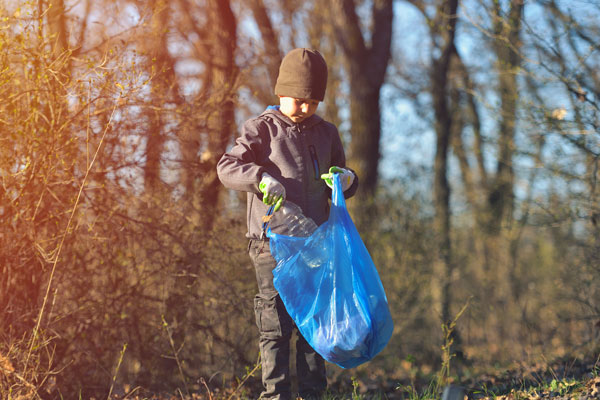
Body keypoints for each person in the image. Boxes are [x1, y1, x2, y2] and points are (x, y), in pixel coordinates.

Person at [216, 48, 358, 400]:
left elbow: (346, 176)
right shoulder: (260, 129)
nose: (305, 108)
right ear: (281, 93)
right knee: (275, 325)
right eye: (298, 100)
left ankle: (313, 395)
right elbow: (227, 167)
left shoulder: (327, 133)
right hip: (271, 244)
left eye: (313, 101)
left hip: (316, 242)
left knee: (314, 325)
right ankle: (274, 395)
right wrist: (261, 179)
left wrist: (347, 178)